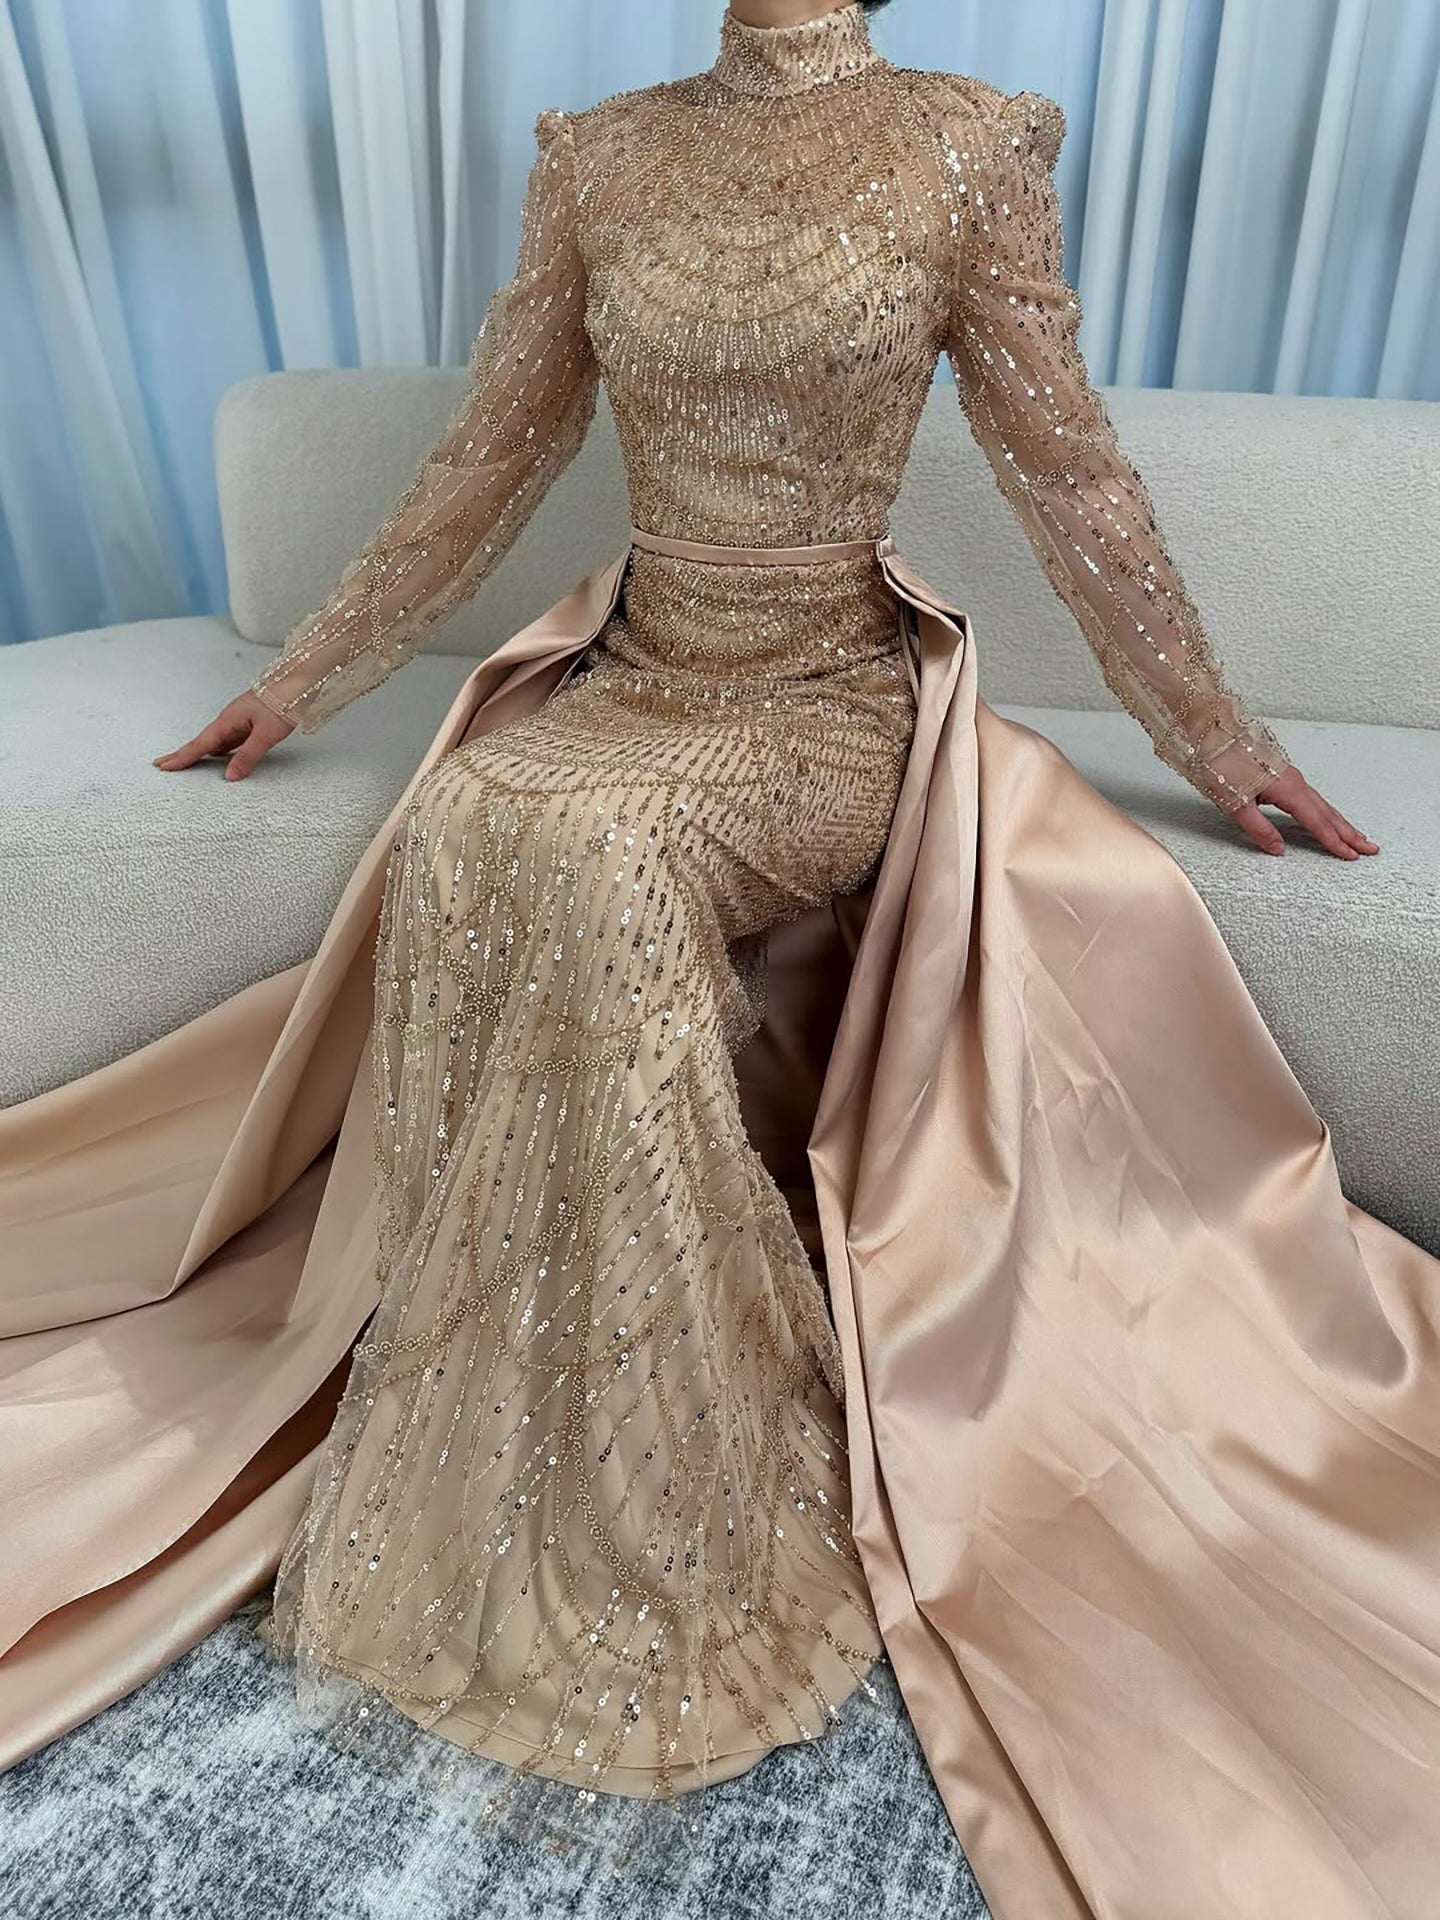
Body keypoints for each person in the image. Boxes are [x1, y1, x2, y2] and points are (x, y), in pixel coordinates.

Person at [5, 5, 1436, 1917]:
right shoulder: (601, 151)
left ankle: (670, 1464)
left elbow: (1071, 473)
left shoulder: (968, 141)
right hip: (642, 668)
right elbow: (493, 450)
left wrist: (1217, 739)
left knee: (593, 850)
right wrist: (306, 678)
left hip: (829, 700)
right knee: (479, 813)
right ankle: (514, 1378)